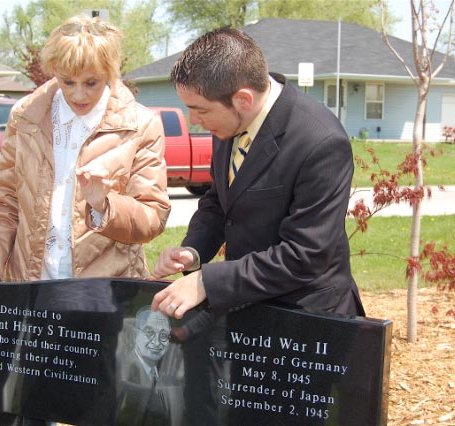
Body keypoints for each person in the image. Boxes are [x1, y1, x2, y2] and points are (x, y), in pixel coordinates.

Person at [0, 14, 170, 425]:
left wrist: (106, 206)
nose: (78, 93)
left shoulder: (141, 125)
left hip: (104, 304)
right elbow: (6, 205)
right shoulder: (25, 117)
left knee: (102, 414)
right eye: (67, 81)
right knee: (20, 413)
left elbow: (153, 216)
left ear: (111, 72)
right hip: (32, 294)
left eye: (92, 82)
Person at [151, 26, 364, 320]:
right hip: (246, 306)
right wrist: (194, 251)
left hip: (306, 317)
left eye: (200, 110)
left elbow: (305, 256)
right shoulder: (227, 121)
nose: (194, 120)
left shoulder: (321, 142)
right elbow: (219, 202)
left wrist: (206, 282)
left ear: (243, 99)